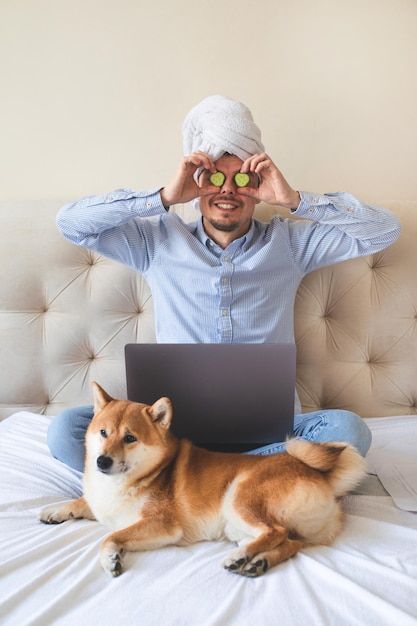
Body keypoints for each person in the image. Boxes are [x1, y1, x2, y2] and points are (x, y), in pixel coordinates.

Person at [48, 95, 401, 472]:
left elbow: (384, 230)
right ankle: (246, 476)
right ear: (197, 183)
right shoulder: (156, 242)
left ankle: (199, 476)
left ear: (259, 184)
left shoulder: (292, 244)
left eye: (243, 179)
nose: (227, 190)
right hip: (168, 433)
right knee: (66, 430)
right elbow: (71, 223)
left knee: (348, 430)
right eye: (215, 177)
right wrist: (164, 198)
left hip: (268, 434)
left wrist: (295, 200)